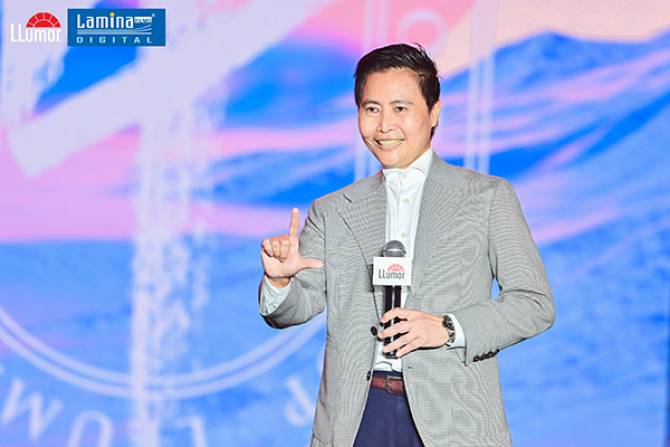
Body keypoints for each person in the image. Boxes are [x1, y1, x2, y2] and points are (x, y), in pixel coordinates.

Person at [258, 43, 555, 447]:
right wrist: (280, 283)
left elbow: (534, 303)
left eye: (400, 108)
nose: (385, 125)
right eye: (372, 108)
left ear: (434, 112)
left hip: (454, 417)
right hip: (357, 416)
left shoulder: (487, 197)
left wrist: (447, 328)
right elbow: (295, 309)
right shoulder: (332, 210)